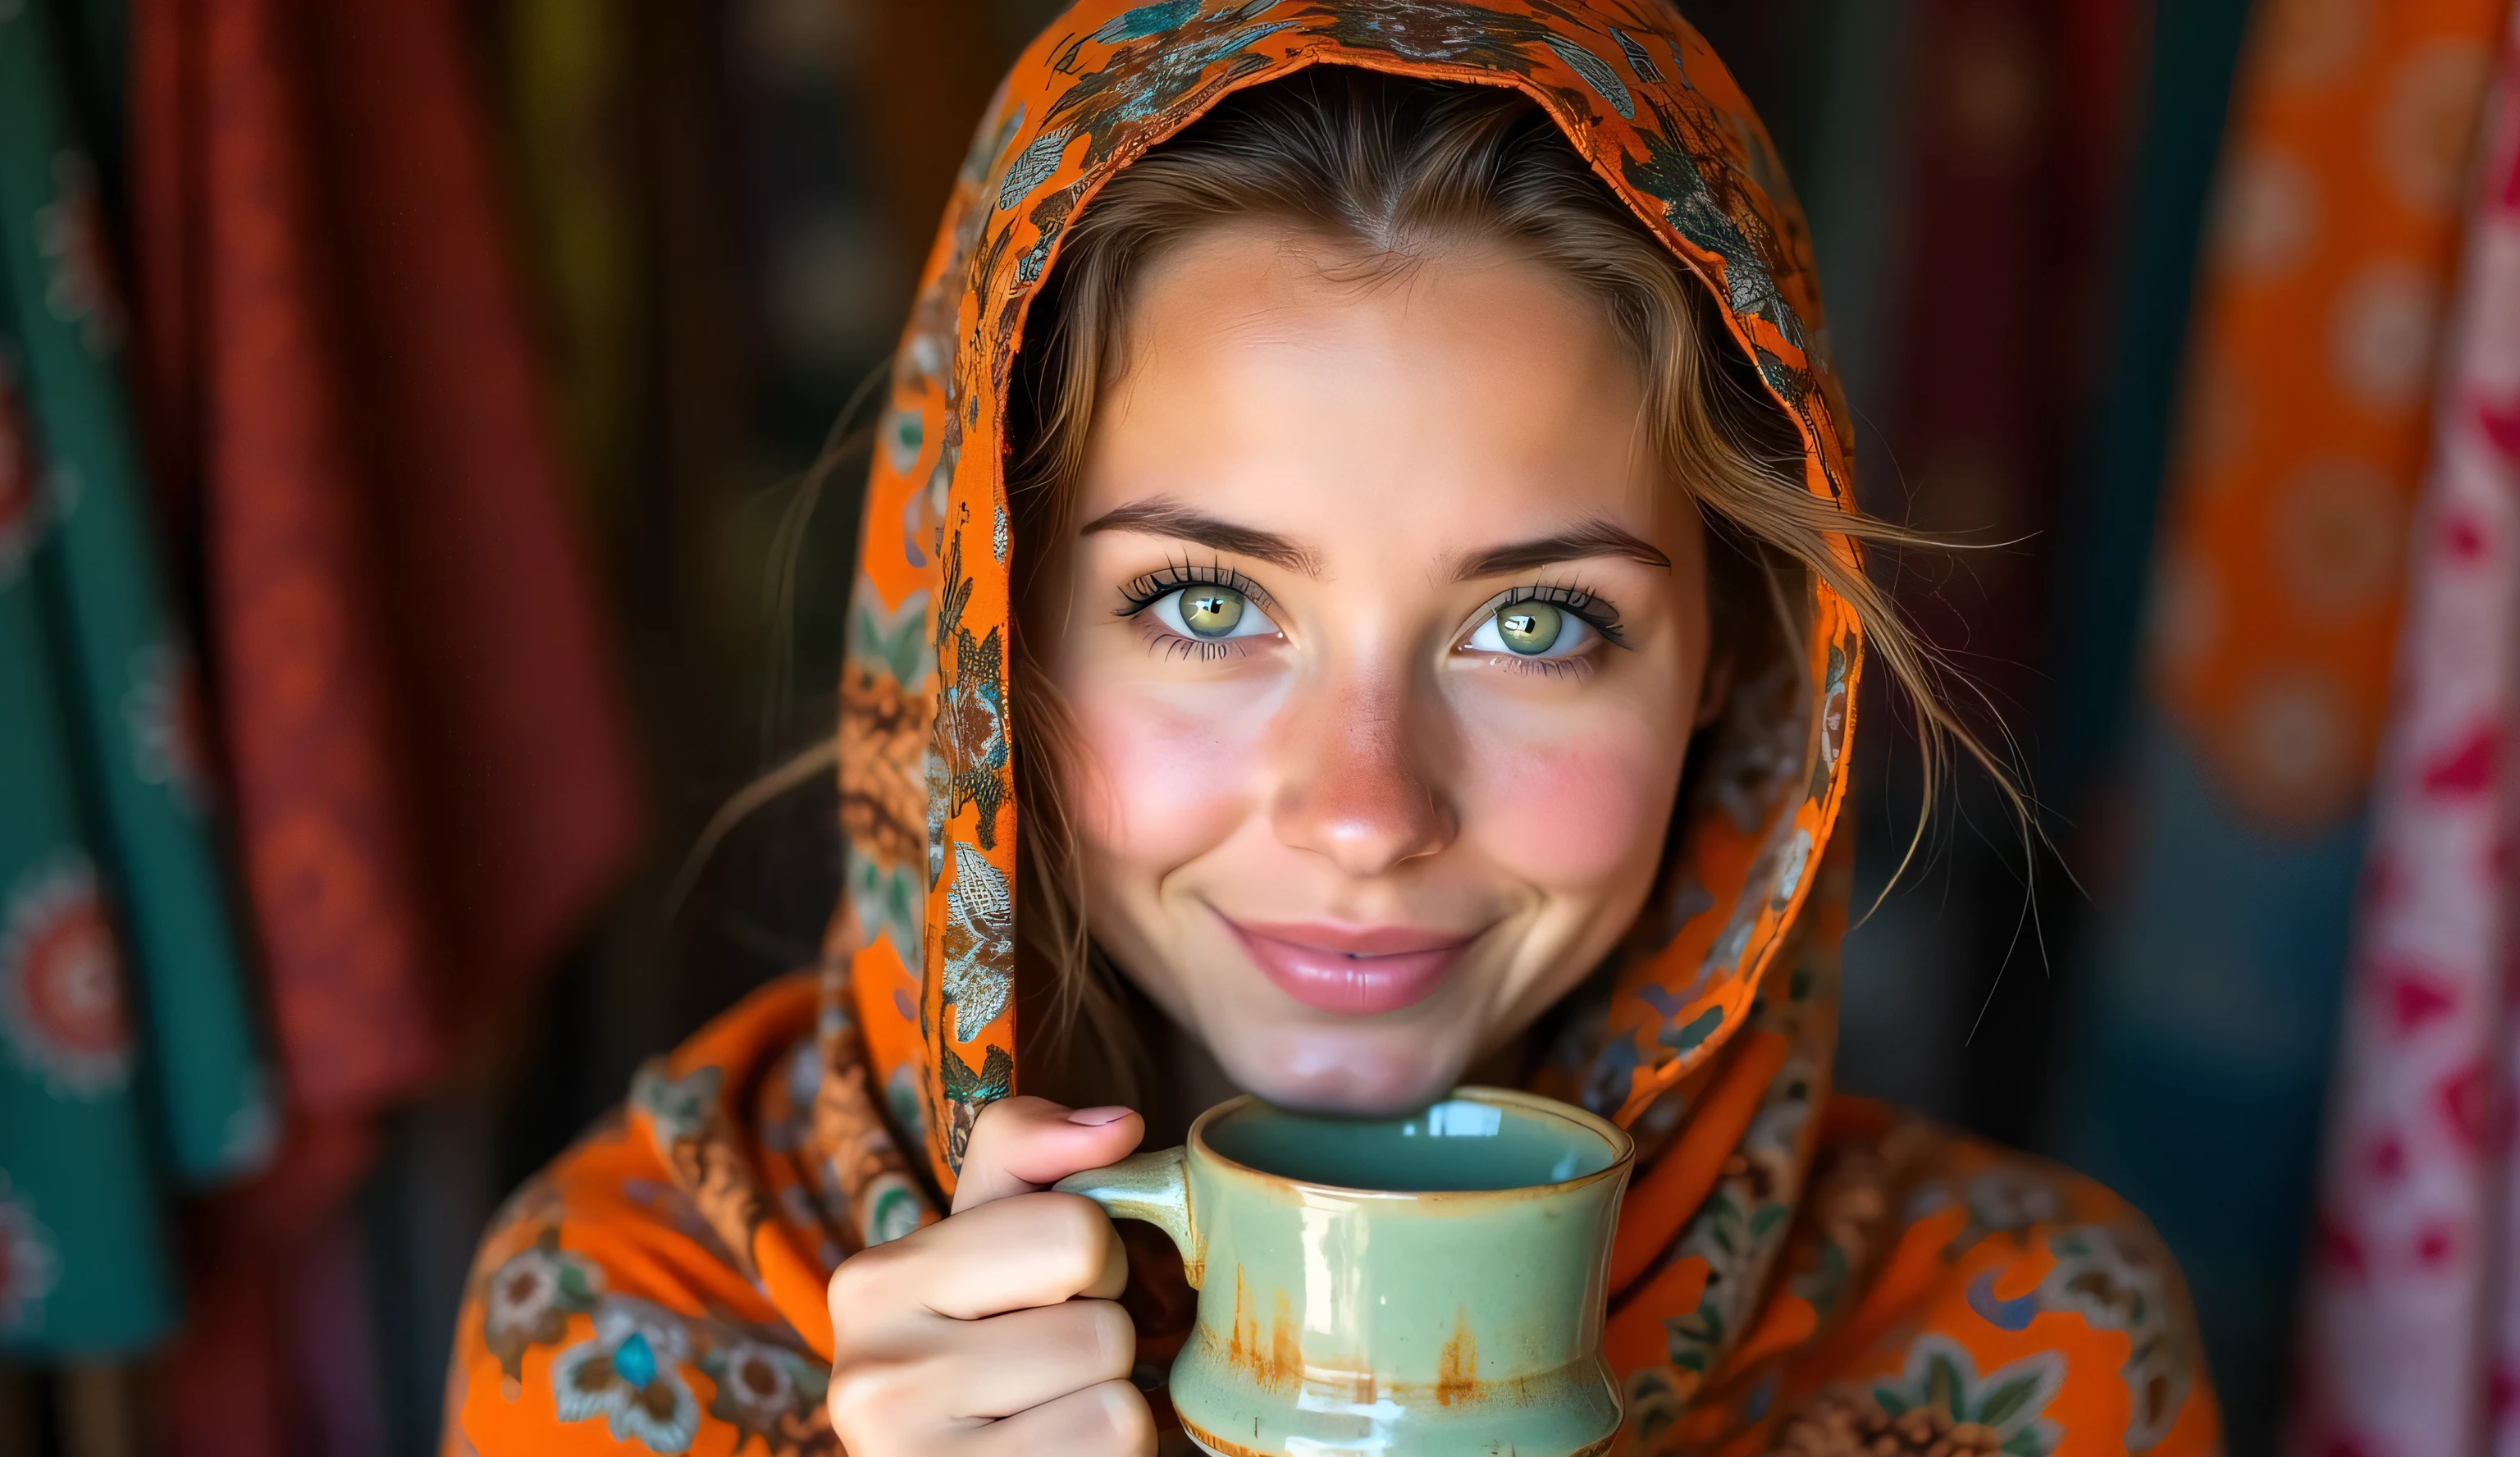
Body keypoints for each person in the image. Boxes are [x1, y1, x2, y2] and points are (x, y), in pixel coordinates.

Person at [442, 4, 2221, 1455]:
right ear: (984, 642)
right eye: (1207, 604)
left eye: (1538, 624)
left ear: (1742, 682)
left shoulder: (2032, 1359)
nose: (1368, 812)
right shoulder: (629, 1336)